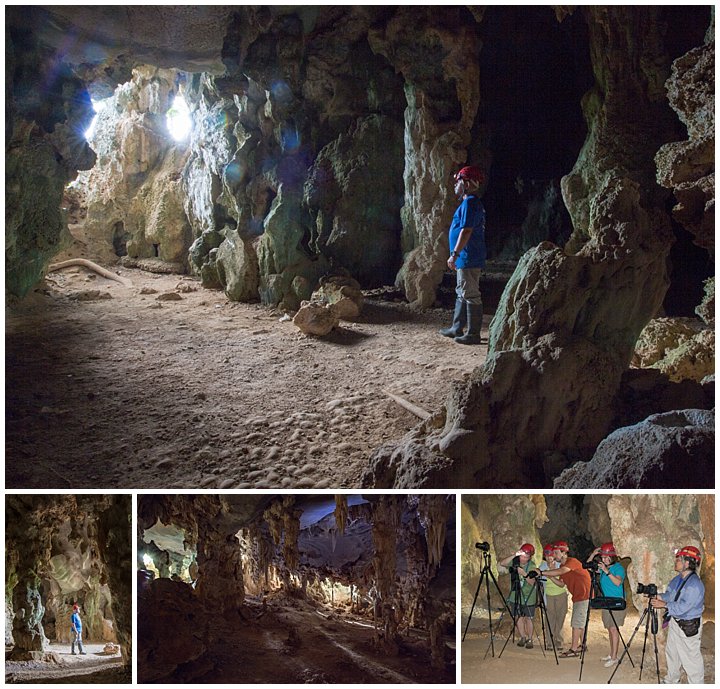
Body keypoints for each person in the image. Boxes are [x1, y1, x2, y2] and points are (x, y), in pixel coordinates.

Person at [439, 165, 487, 345]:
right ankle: (456, 328)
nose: (455, 186)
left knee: (470, 293)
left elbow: (466, 230)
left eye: (458, 181)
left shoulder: (470, 203)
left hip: (468, 255)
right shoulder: (470, 202)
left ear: (467, 183)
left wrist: (454, 254)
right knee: (462, 291)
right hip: (466, 256)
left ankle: (473, 333)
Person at [650, 545, 705, 684]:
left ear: (687, 563)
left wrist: (664, 605)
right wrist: (659, 596)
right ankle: (672, 680)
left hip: (688, 625)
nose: (676, 561)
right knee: (672, 653)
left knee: (691, 660)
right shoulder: (677, 579)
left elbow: (683, 607)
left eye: (679, 559)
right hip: (676, 622)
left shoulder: (695, 585)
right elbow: (671, 595)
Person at [539, 540, 591, 658]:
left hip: (583, 595)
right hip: (578, 596)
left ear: (563, 552)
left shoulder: (572, 562)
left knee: (576, 623)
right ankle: (583, 645)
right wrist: (547, 575)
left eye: (556, 553)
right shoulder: (563, 565)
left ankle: (573, 649)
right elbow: (561, 583)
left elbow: (562, 571)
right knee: (580, 622)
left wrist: (543, 572)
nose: (554, 555)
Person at [587, 542, 626, 667]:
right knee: (609, 629)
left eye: (606, 557)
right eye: (602, 557)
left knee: (614, 629)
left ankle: (614, 657)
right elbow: (587, 566)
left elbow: (618, 582)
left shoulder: (618, 568)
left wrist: (606, 571)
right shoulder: (603, 567)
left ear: (612, 556)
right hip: (606, 601)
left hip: (616, 602)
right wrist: (593, 554)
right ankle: (612, 653)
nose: (603, 560)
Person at [499, 543, 538, 649]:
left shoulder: (532, 566)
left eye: (526, 557)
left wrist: (524, 574)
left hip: (528, 596)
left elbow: (533, 582)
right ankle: (523, 637)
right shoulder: (515, 561)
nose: (523, 559)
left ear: (530, 557)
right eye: (522, 556)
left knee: (528, 618)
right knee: (518, 617)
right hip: (515, 594)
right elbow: (502, 563)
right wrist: (514, 555)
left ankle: (530, 639)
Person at [539, 543, 568, 651]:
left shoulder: (560, 566)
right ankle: (550, 642)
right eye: (546, 556)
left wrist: (549, 575)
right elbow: (540, 580)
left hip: (560, 594)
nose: (549, 558)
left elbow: (562, 583)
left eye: (551, 555)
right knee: (550, 619)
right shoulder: (542, 566)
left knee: (560, 618)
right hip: (549, 595)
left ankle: (558, 641)